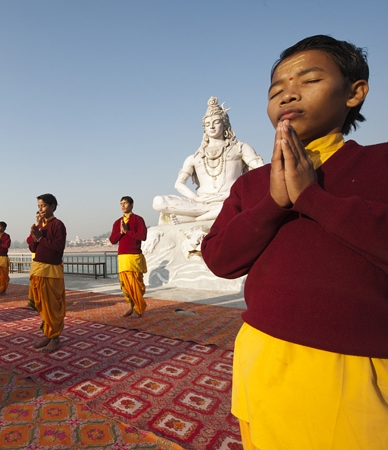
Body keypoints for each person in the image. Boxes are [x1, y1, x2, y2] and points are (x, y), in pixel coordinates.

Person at [201, 35, 387, 450]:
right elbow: (219, 258)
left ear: (355, 92)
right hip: (262, 356)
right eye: (275, 91)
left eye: (309, 79)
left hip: (354, 365)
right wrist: (273, 203)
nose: (288, 94)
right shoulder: (252, 185)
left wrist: (313, 199)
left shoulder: (379, 164)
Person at [153, 97, 263, 224]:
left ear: (224, 124)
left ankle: (196, 218)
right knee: (158, 202)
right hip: (202, 203)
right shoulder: (195, 157)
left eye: (216, 122)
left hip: (231, 199)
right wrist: (196, 199)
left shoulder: (240, 148)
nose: (211, 126)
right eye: (207, 124)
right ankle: (212, 212)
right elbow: (178, 184)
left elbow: (261, 171)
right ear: (204, 128)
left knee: (254, 198)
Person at [27, 194, 66, 353]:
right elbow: (32, 248)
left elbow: (59, 246)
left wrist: (41, 238)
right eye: (38, 206)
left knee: (52, 306)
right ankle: (48, 334)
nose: (40, 209)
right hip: (38, 268)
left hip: (51, 271)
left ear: (53, 207)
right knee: (41, 303)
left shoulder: (58, 225)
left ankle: (55, 338)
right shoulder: (39, 225)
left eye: (43, 206)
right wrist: (34, 237)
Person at [109, 196, 148, 317]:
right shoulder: (117, 222)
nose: (123, 206)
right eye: (121, 203)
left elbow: (142, 236)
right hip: (122, 257)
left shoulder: (138, 220)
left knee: (135, 284)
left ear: (132, 205)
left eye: (125, 203)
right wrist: (121, 232)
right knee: (125, 285)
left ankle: (138, 309)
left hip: (134, 255)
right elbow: (112, 240)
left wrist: (127, 232)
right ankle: (131, 306)